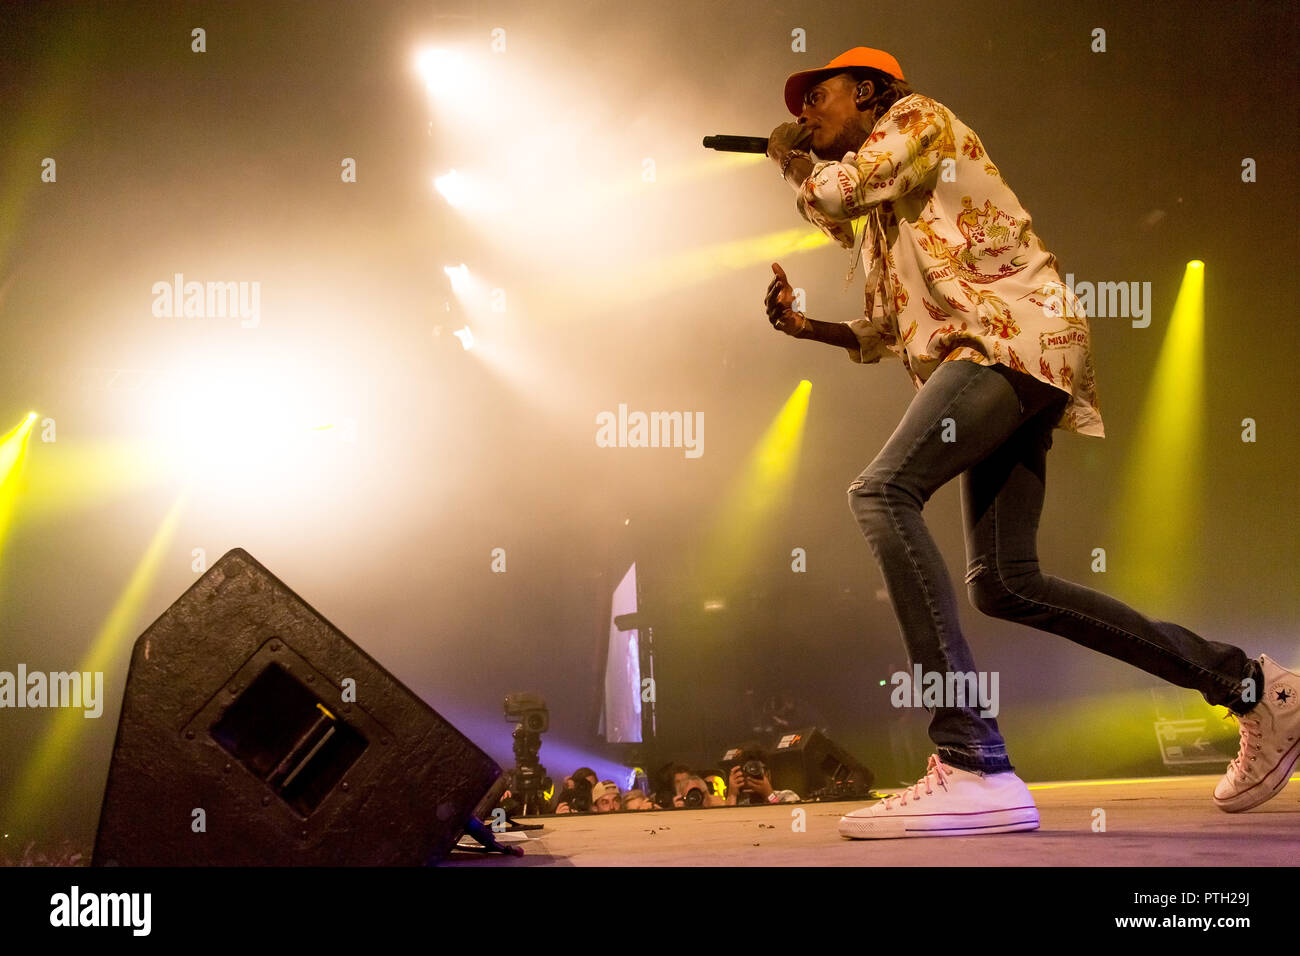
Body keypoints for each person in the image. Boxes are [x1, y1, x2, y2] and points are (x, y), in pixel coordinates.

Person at [761, 46, 1300, 838]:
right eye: (800, 108)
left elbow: (836, 189)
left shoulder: (916, 119)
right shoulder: (892, 214)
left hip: (1010, 343)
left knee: (881, 492)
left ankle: (973, 762)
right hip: (1005, 352)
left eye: (819, 98)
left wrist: (789, 161)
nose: (806, 114)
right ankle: (1254, 686)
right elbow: (885, 330)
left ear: (869, 92)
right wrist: (809, 327)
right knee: (1005, 581)